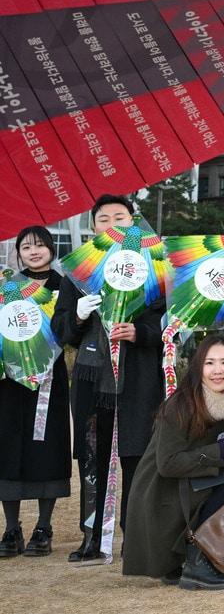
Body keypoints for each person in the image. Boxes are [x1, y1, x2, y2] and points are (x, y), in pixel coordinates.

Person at [53, 194, 166, 564]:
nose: (113, 223)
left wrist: (139, 332)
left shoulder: (155, 267)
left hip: (139, 378)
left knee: (136, 456)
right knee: (92, 458)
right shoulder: (78, 271)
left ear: (133, 223)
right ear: (94, 226)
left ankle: (135, 536)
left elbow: (170, 323)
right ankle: (92, 536)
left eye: (121, 216)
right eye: (104, 218)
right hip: (91, 379)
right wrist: (80, 317)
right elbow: (61, 329)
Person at [121, 334, 224, 589]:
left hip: (193, 481)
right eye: (209, 363)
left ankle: (200, 554)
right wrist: (221, 452)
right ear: (198, 366)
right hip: (164, 494)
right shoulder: (181, 405)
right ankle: (198, 559)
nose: (218, 371)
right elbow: (168, 464)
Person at [0, 227, 71, 558]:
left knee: (47, 446)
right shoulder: (8, 287)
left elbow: (71, 329)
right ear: (18, 252)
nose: (33, 250)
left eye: (39, 244)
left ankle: (44, 527)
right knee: (9, 447)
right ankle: (11, 528)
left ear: (51, 249)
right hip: (10, 380)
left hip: (49, 378)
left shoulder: (65, 286)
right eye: (26, 246)